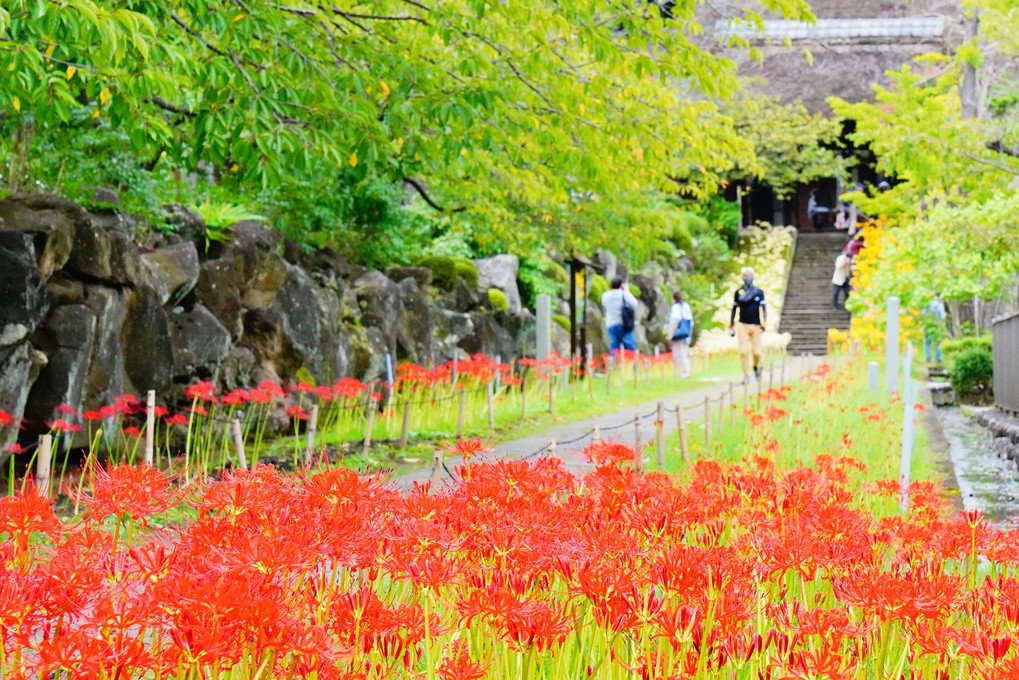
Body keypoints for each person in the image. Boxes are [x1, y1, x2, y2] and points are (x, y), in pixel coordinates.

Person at [729, 267, 767, 383]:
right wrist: (731, 326)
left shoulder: (759, 292)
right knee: (743, 351)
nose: (748, 277)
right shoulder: (739, 292)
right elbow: (734, 309)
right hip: (742, 324)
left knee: (757, 352)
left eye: (750, 275)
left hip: (756, 325)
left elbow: (764, 309)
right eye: (746, 275)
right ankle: (746, 375)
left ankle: (755, 367)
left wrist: (763, 324)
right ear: (742, 277)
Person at [601, 276, 639, 358]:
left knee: (614, 349)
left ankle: (615, 367)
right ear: (621, 285)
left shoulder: (605, 296)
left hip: (611, 324)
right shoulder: (624, 294)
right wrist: (627, 291)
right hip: (623, 324)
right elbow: (634, 304)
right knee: (630, 348)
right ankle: (631, 366)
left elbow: (604, 304)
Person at [667, 290, 693, 378]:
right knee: (684, 351)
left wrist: (671, 333)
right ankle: (685, 370)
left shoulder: (676, 308)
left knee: (679, 352)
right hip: (686, 332)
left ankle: (684, 371)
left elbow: (676, 321)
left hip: (678, 333)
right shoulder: (686, 306)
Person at [924, 293, 947, 363]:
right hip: (937, 326)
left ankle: (928, 358)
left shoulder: (928, 304)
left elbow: (923, 314)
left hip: (928, 325)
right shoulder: (940, 305)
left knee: (927, 342)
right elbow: (942, 317)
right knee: (938, 342)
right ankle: (938, 358)